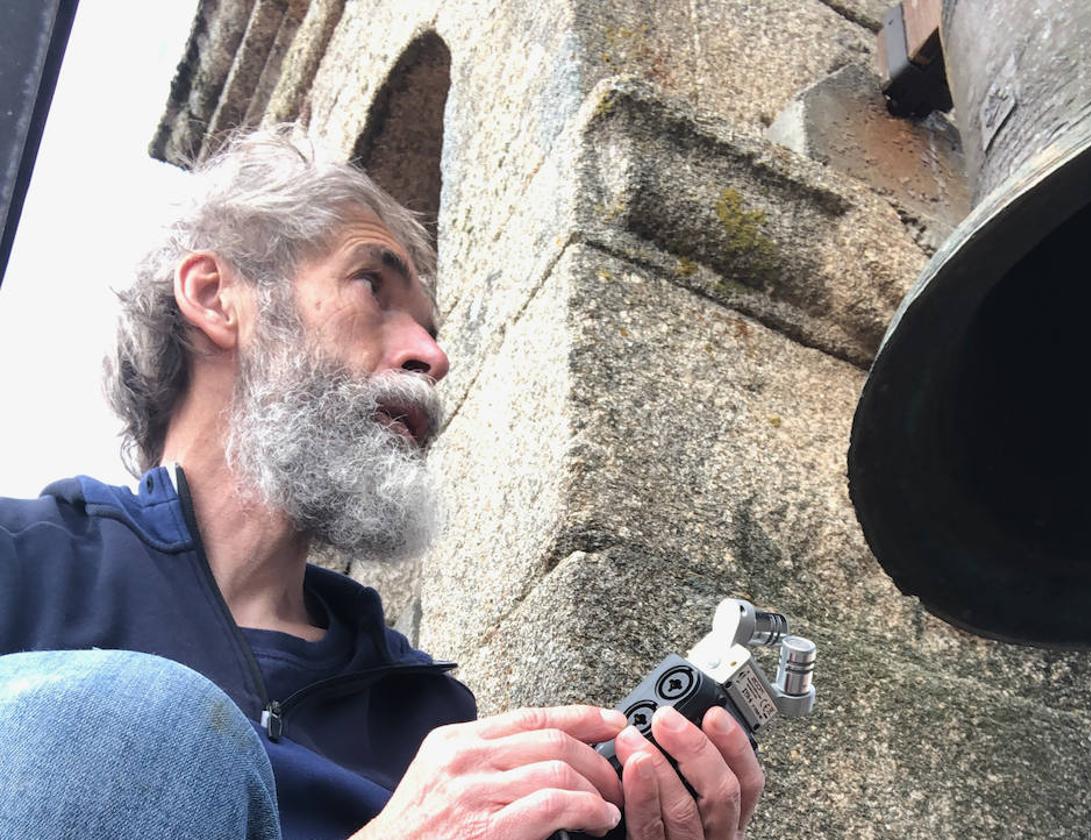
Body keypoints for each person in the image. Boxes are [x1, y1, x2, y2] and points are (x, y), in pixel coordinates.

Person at [0, 130, 764, 839]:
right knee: (136, 718)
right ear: (213, 296)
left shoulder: (428, 717)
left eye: (432, 328)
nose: (432, 356)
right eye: (373, 286)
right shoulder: (23, 563)